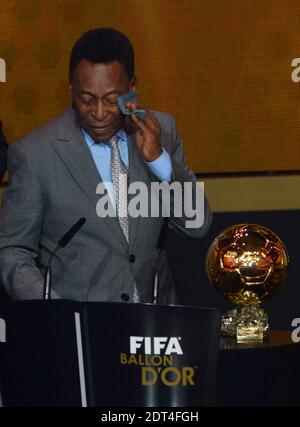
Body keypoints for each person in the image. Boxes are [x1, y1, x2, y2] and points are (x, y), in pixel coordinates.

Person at [0, 28, 212, 303]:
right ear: (71, 89)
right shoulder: (35, 154)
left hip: (154, 325)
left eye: (112, 100)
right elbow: (11, 250)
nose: (99, 114)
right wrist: (52, 310)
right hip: (78, 329)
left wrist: (159, 161)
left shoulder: (163, 132)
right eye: (86, 99)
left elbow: (198, 225)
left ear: (132, 87)